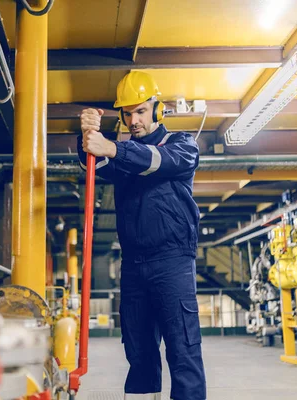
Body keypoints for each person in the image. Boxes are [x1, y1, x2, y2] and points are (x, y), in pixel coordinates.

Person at [77, 71, 207, 400]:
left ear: (157, 109)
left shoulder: (182, 145)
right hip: (133, 265)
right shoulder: (121, 153)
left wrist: (111, 148)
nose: (133, 120)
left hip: (173, 262)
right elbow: (95, 166)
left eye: (140, 111)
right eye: (127, 113)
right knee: (138, 353)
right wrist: (88, 140)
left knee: (183, 350)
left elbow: (156, 162)